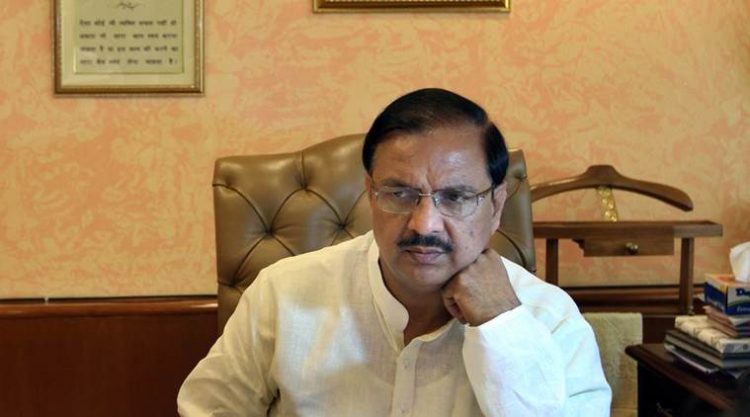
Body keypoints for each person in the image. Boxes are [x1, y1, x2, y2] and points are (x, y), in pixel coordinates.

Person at [178, 88, 612, 416]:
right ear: (370, 193)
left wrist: (502, 325)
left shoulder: (550, 318)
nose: (424, 224)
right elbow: (207, 408)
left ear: (496, 205)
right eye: (400, 193)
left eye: (456, 196)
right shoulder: (283, 292)